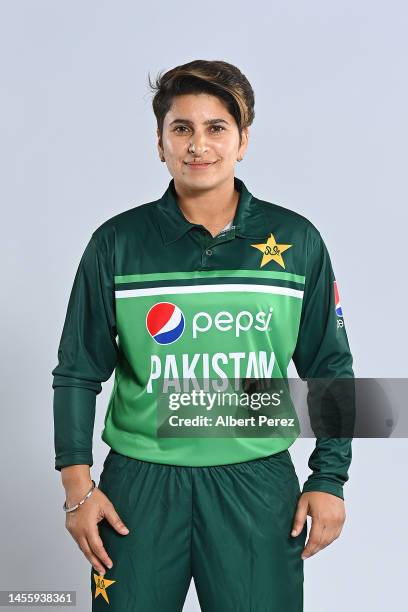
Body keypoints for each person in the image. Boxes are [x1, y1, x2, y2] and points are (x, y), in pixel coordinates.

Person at [52, 59, 354, 611]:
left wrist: (330, 480)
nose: (198, 145)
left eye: (216, 128)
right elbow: (77, 371)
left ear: (243, 141)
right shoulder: (116, 243)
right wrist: (77, 488)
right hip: (138, 488)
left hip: (257, 485)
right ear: (160, 142)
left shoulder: (296, 239)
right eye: (181, 128)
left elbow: (330, 369)